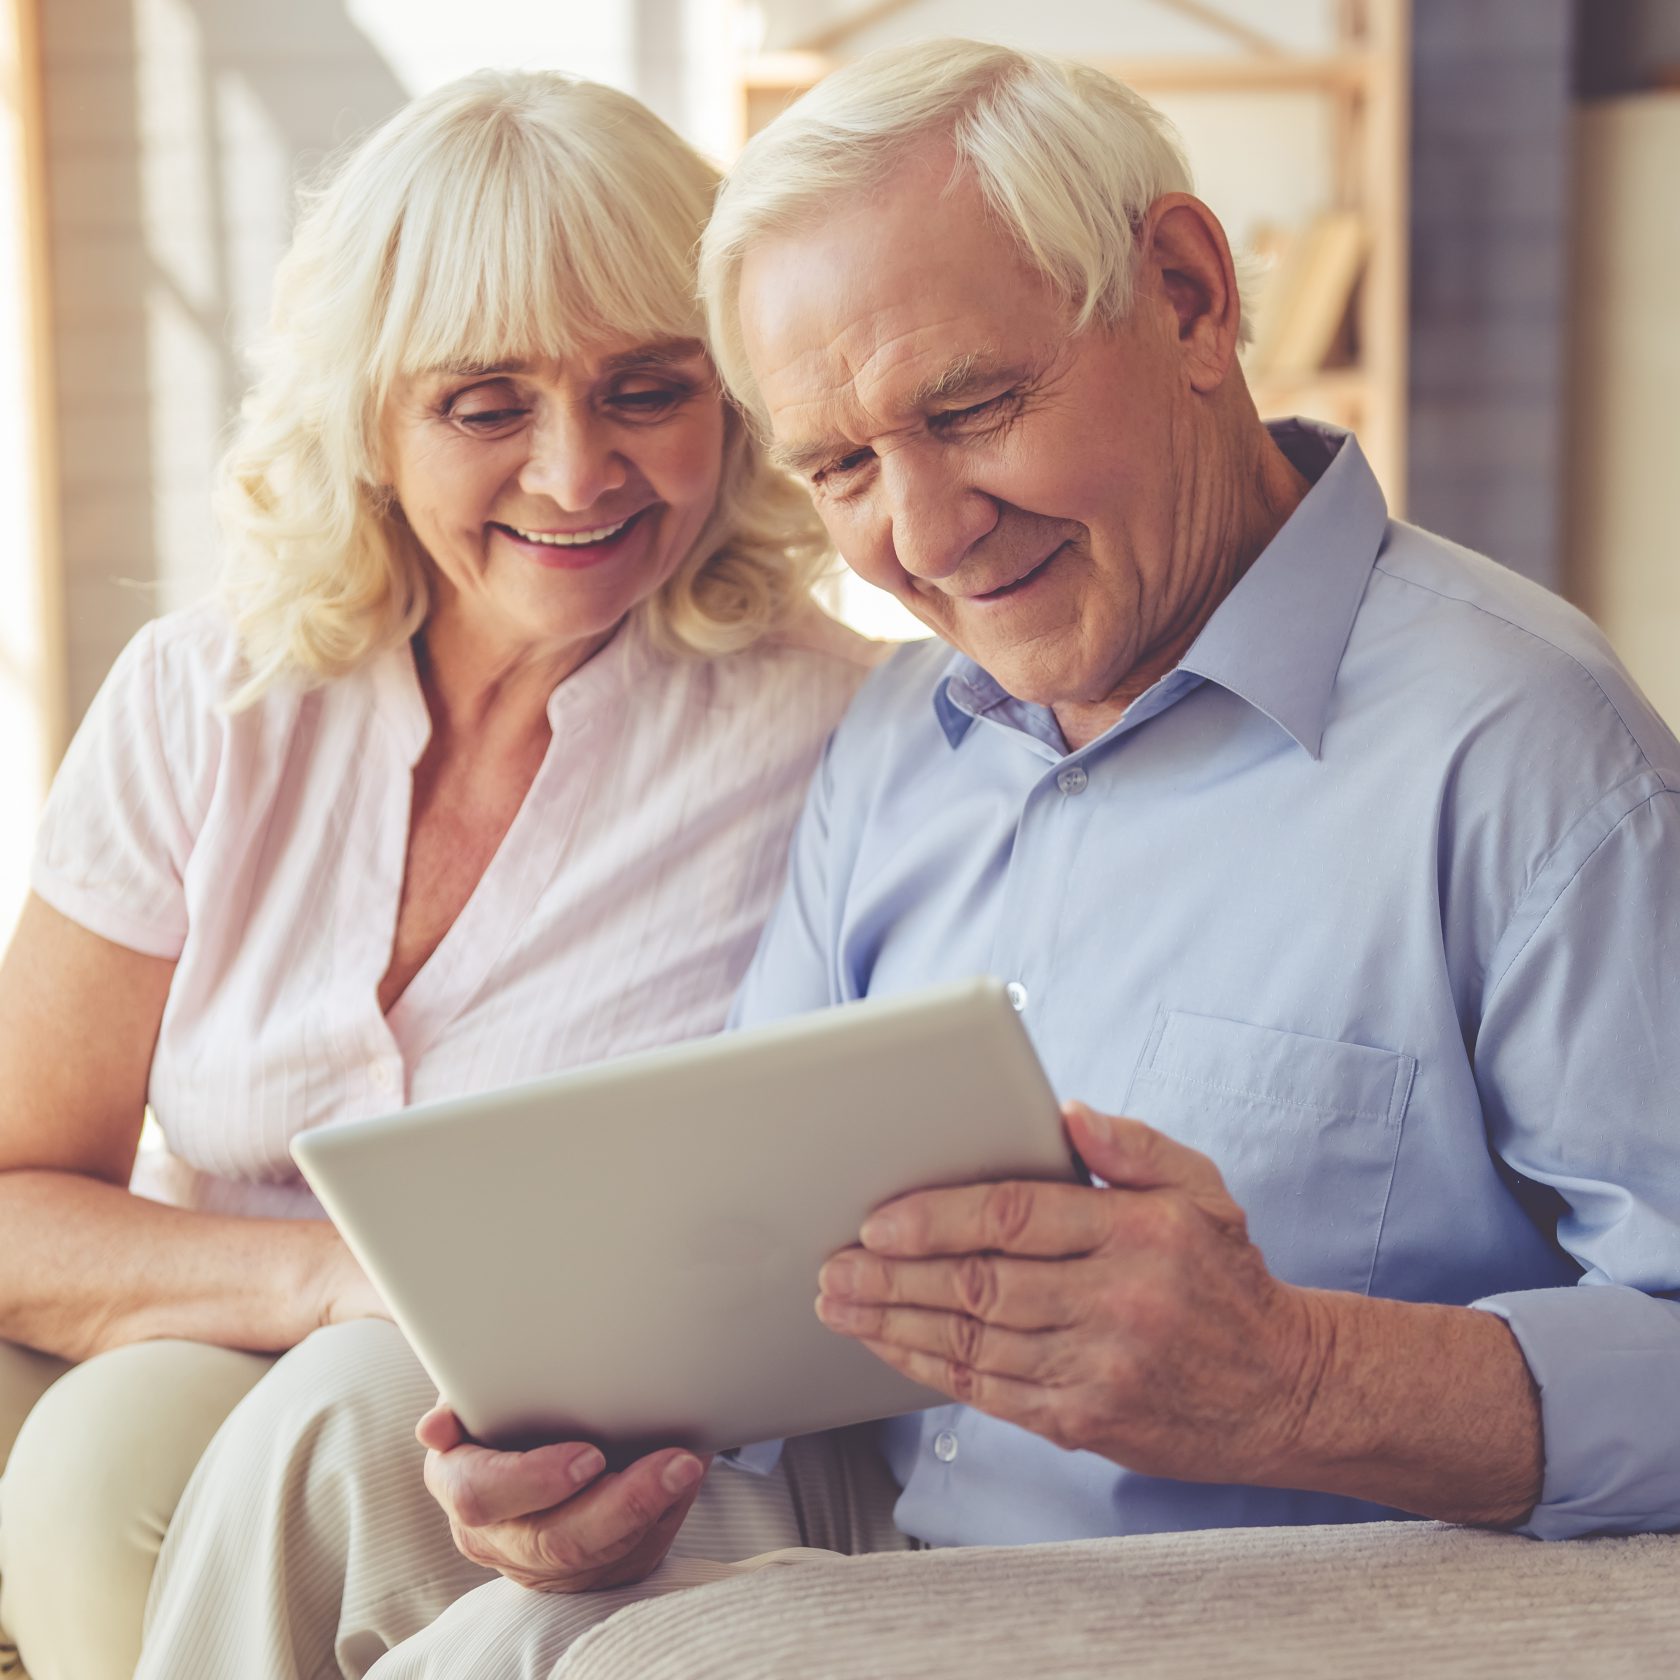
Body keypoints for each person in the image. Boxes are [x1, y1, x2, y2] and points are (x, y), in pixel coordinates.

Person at [160, 36, 1680, 1680]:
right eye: (841, 468)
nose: (928, 535)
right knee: (342, 1429)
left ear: (1186, 299)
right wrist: (589, 1479)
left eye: (971, 409)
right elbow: (739, 1270)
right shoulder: (901, 736)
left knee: (568, 1668)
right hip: (889, 1510)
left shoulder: (1530, 755)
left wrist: (1298, 1374)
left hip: (1281, 1576)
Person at [0, 68, 887, 1680]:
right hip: (239, 1335)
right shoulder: (204, 697)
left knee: (146, 1457)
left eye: (647, 391)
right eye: (487, 406)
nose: (577, 474)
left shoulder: (844, 737)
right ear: (370, 420)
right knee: (97, 1452)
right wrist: (339, 1280)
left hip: (586, 1429)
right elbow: (14, 1196)